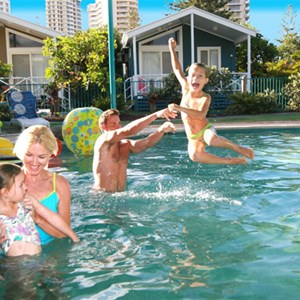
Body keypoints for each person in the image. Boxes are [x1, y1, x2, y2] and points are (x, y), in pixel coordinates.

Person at [168, 37, 254, 164]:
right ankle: (229, 161)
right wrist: (171, 49)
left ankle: (239, 149)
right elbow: (176, 69)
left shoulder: (205, 97)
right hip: (193, 137)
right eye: (192, 75)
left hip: (205, 130)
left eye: (200, 76)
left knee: (212, 140)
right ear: (188, 77)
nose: (195, 79)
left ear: (206, 80)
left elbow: (200, 114)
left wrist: (179, 108)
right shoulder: (185, 88)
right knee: (194, 156)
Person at [0, 163, 79, 257]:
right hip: (14, 265)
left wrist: (74, 237)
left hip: (40, 258)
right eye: (21, 185)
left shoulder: (26, 199)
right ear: (5, 192)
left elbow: (51, 216)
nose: (26, 187)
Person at [93, 108, 177, 192]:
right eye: (113, 124)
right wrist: (156, 115)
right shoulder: (103, 141)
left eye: (119, 123)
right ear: (103, 127)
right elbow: (128, 130)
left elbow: (146, 143)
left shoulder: (125, 145)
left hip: (121, 196)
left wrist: (161, 130)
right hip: (102, 196)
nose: (118, 127)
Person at [13, 125, 72, 245]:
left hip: (49, 253)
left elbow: (64, 233)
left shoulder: (60, 184)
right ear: (20, 152)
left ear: (50, 154)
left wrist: (37, 219)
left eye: (41, 157)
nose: (34, 162)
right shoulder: (7, 179)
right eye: (28, 155)